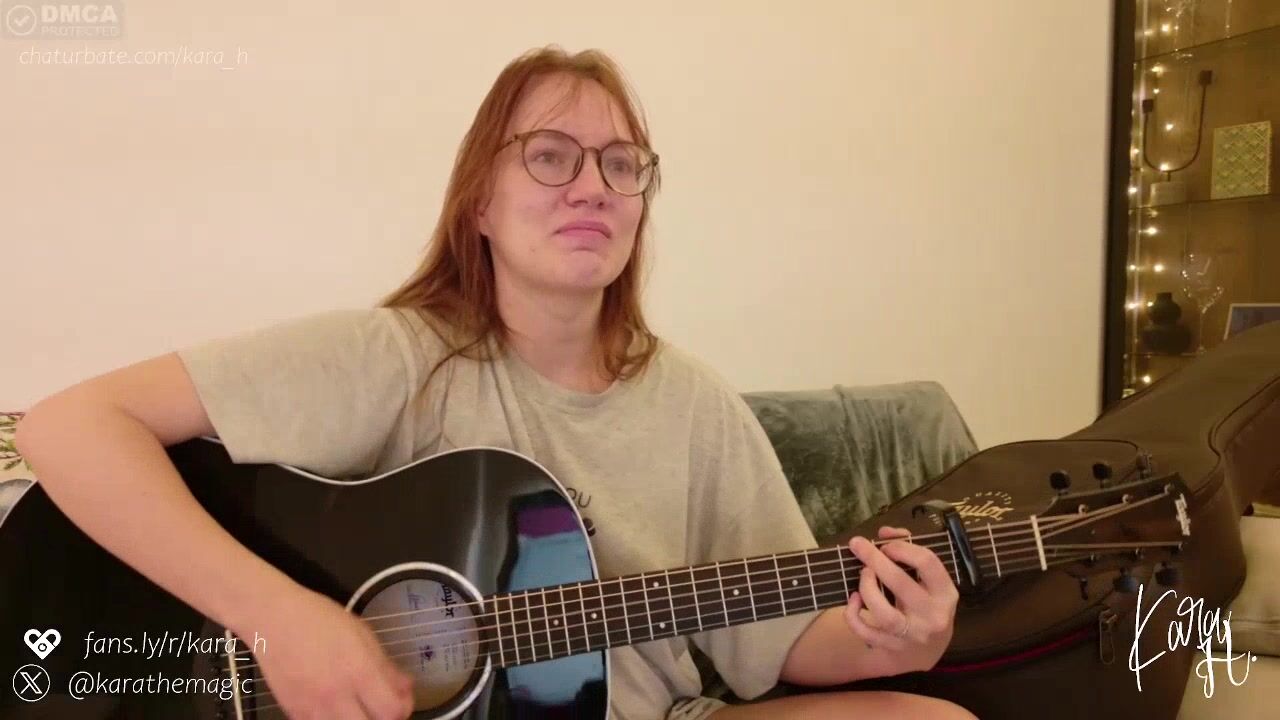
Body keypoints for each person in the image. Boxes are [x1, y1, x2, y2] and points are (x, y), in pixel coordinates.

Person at [16, 46, 976, 720]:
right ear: (479, 200)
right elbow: (67, 427)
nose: (593, 186)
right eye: (551, 157)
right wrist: (276, 621)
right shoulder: (392, 357)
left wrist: (896, 637)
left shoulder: (694, 404)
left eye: (622, 165)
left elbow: (783, 643)